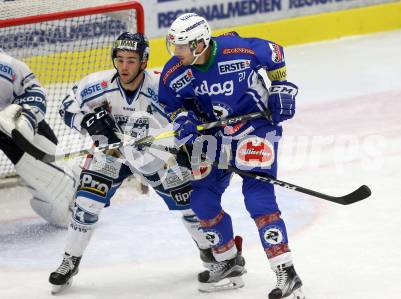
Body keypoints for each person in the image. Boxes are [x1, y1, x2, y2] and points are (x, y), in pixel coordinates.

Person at [49, 32, 215, 294]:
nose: (124, 67)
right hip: (112, 152)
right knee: (86, 203)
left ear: (144, 62)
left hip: (158, 154)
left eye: (131, 60)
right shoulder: (96, 84)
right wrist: (88, 122)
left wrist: (186, 146)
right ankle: (70, 260)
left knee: (190, 203)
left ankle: (212, 254)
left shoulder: (162, 86)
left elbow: (192, 115)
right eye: (120, 59)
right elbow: (67, 108)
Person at [158, 13, 305, 299]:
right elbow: (172, 104)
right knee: (201, 200)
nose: (176, 53)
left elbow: (276, 53)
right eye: (174, 46)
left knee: (258, 198)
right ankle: (228, 262)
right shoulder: (175, 71)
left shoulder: (238, 50)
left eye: (182, 46)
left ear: (200, 43)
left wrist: (281, 88)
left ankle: (286, 272)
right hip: (213, 135)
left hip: (255, 127)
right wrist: (182, 119)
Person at [0, 50, 77, 227]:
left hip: (7, 122)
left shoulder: (7, 67)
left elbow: (32, 91)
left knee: (58, 180)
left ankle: (69, 187)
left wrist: (27, 117)